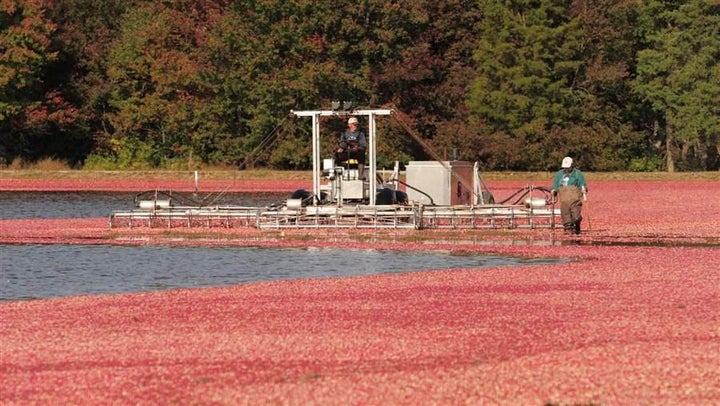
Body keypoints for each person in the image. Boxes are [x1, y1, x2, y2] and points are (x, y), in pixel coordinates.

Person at [551, 156, 588, 234]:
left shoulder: (578, 173)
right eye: (565, 167)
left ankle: (577, 225)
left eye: (568, 167)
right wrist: (553, 191)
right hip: (564, 199)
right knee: (565, 215)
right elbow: (555, 186)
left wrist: (584, 189)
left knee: (576, 217)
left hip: (575, 199)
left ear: (572, 165)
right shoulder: (559, 174)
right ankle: (568, 229)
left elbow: (582, 184)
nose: (566, 169)